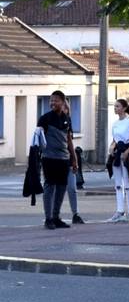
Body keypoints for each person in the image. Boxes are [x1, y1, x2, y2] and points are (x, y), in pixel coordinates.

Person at [36, 90, 77, 229]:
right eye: (51, 100)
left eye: (56, 100)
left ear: (63, 102)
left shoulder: (67, 118)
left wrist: (74, 159)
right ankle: (48, 219)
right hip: (49, 158)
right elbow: (37, 139)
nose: (53, 103)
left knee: (61, 187)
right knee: (49, 187)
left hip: (64, 159)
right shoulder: (44, 119)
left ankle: (56, 217)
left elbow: (69, 140)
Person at [107, 98, 129, 222]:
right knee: (118, 184)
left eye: (117, 106)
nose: (115, 108)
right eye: (114, 106)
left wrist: (127, 152)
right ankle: (120, 210)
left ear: (124, 108)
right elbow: (115, 139)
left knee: (127, 183)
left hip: (126, 152)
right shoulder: (115, 124)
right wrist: (111, 147)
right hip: (117, 153)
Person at [61, 99, 85, 224]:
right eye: (63, 108)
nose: (64, 111)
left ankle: (75, 213)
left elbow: (70, 141)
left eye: (66, 109)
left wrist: (74, 158)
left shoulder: (68, 122)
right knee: (56, 188)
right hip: (57, 158)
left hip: (68, 158)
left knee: (72, 188)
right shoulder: (50, 120)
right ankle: (54, 215)